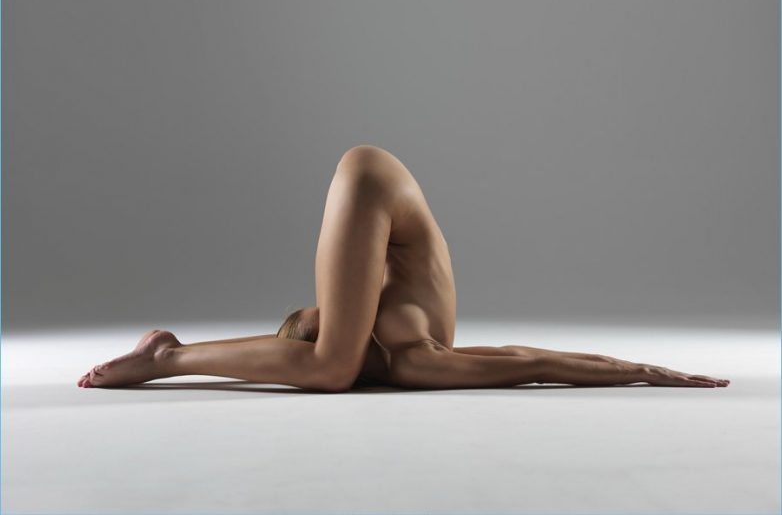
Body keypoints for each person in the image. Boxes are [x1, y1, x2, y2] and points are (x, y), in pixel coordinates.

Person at [77, 145, 729, 391]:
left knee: (328, 370)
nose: (330, 316)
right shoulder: (416, 359)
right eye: (316, 326)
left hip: (376, 182)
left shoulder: (403, 352)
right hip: (378, 183)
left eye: (310, 322)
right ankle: (166, 354)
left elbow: (533, 360)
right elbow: (532, 360)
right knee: (328, 368)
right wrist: (642, 370)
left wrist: (645, 370)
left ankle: (166, 357)